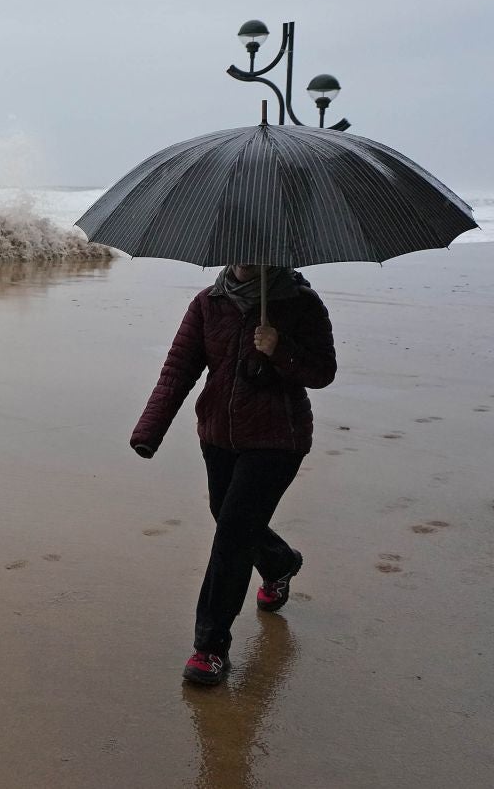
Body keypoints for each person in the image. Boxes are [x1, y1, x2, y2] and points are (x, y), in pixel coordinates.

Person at [129, 264, 335, 686]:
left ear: (271, 253)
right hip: (218, 437)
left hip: (278, 439)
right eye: (236, 250)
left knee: (233, 535)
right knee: (227, 516)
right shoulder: (208, 303)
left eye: (253, 251)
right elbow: (178, 371)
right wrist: (149, 430)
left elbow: (323, 372)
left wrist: (279, 348)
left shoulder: (301, 303)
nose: (243, 259)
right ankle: (279, 561)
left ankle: (209, 648)